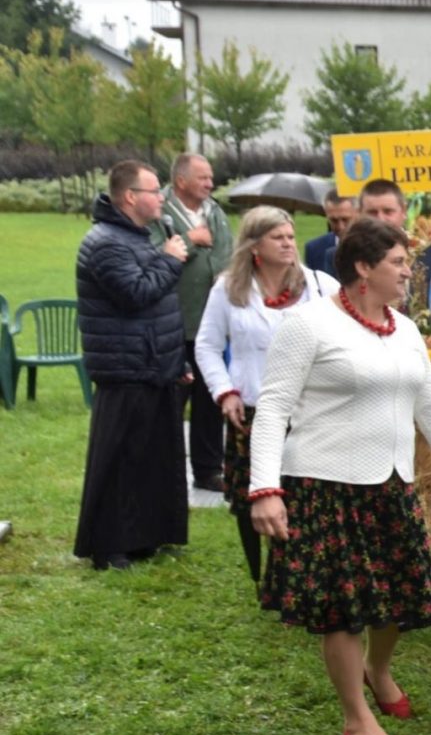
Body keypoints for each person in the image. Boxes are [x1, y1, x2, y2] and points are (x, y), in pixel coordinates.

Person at [249, 215, 431, 735]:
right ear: (363, 267)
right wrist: (264, 489)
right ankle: (357, 719)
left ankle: (377, 670)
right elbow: (272, 411)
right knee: (342, 607)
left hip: (391, 484)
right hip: (324, 486)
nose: (410, 272)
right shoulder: (308, 324)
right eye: (399, 263)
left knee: (404, 594)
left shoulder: (403, 329)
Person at [195, 207, 339, 583]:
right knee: (253, 495)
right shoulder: (229, 289)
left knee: (303, 494)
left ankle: (297, 570)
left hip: (310, 408)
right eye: (279, 237)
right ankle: (259, 574)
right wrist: (225, 392)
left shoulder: (319, 286)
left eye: (291, 236)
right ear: (254, 245)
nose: (289, 243)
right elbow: (207, 346)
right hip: (253, 409)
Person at [74, 160, 191, 570]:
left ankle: (142, 536)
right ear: (129, 197)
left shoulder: (136, 237)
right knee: (120, 459)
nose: (161, 197)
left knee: (149, 456)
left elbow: (158, 307)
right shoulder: (106, 242)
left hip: (152, 363)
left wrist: (176, 358)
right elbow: (135, 294)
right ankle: (108, 544)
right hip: (124, 367)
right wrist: (171, 260)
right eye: (154, 190)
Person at [150, 153, 231, 492]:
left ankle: (209, 469)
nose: (210, 184)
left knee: (210, 400)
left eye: (210, 177)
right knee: (172, 402)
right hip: (175, 322)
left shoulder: (215, 212)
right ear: (181, 181)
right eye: (203, 178)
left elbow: (227, 250)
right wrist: (193, 242)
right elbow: (156, 252)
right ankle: (163, 470)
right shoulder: (160, 209)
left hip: (211, 324)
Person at [359, 178, 431, 308]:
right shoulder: (345, 255)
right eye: (372, 212)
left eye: (388, 211)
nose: (380, 219)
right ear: (360, 213)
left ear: (404, 211)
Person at [304, 190, 356, 278]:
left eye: (345, 220)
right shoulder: (314, 249)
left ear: (358, 213)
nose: (341, 227)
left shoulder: (374, 245)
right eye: (334, 221)